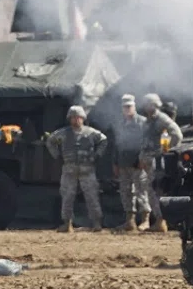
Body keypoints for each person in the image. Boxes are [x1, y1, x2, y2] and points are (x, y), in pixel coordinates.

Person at [45, 105, 108, 233]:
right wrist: (57, 155)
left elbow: (104, 140)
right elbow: (50, 141)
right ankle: (67, 223)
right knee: (67, 196)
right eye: (73, 117)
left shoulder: (91, 132)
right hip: (69, 168)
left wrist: (97, 154)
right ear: (69, 119)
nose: (76, 120)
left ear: (83, 118)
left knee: (92, 196)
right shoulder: (63, 133)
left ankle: (96, 223)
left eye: (78, 117)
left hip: (87, 168)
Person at [137, 93, 182, 232]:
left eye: (149, 104)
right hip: (148, 161)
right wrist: (141, 158)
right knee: (151, 191)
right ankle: (158, 220)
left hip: (157, 161)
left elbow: (176, 134)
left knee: (158, 191)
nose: (146, 107)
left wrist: (165, 150)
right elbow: (144, 142)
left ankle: (161, 221)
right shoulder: (148, 122)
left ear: (155, 105)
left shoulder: (161, 119)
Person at [112, 94, 146, 233]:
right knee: (125, 192)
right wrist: (115, 162)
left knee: (141, 190)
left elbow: (147, 142)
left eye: (129, 106)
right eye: (125, 107)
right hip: (123, 162)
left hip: (138, 162)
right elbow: (116, 144)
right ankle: (129, 221)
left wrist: (142, 159)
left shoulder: (143, 122)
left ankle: (145, 220)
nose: (127, 109)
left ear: (134, 107)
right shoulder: (119, 124)